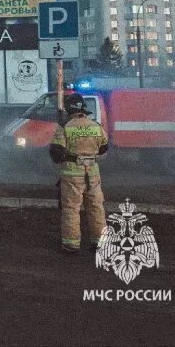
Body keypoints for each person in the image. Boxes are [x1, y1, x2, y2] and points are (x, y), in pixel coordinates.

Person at [49, 93, 109, 254]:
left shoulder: (65, 127)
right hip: (93, 174)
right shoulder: (95, 126)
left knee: (71, 208)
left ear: (69, 109)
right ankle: (99, 242)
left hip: (72, 174)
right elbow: (104, 147)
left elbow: (56, 153)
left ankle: (71, 244)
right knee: (96, 207)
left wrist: (62, 126)